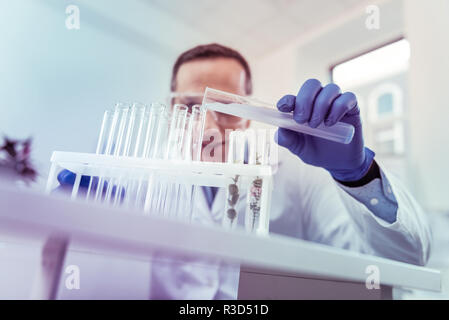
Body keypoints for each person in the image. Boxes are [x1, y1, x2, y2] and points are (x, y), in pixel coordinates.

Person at [58, 43, 431, 299]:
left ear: (249, 117)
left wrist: (357, 175)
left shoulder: (296, 173)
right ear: (170, 110)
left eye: (226, 107)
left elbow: (403, 264)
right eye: (189, 105)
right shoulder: (137, 177)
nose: (207, 126)